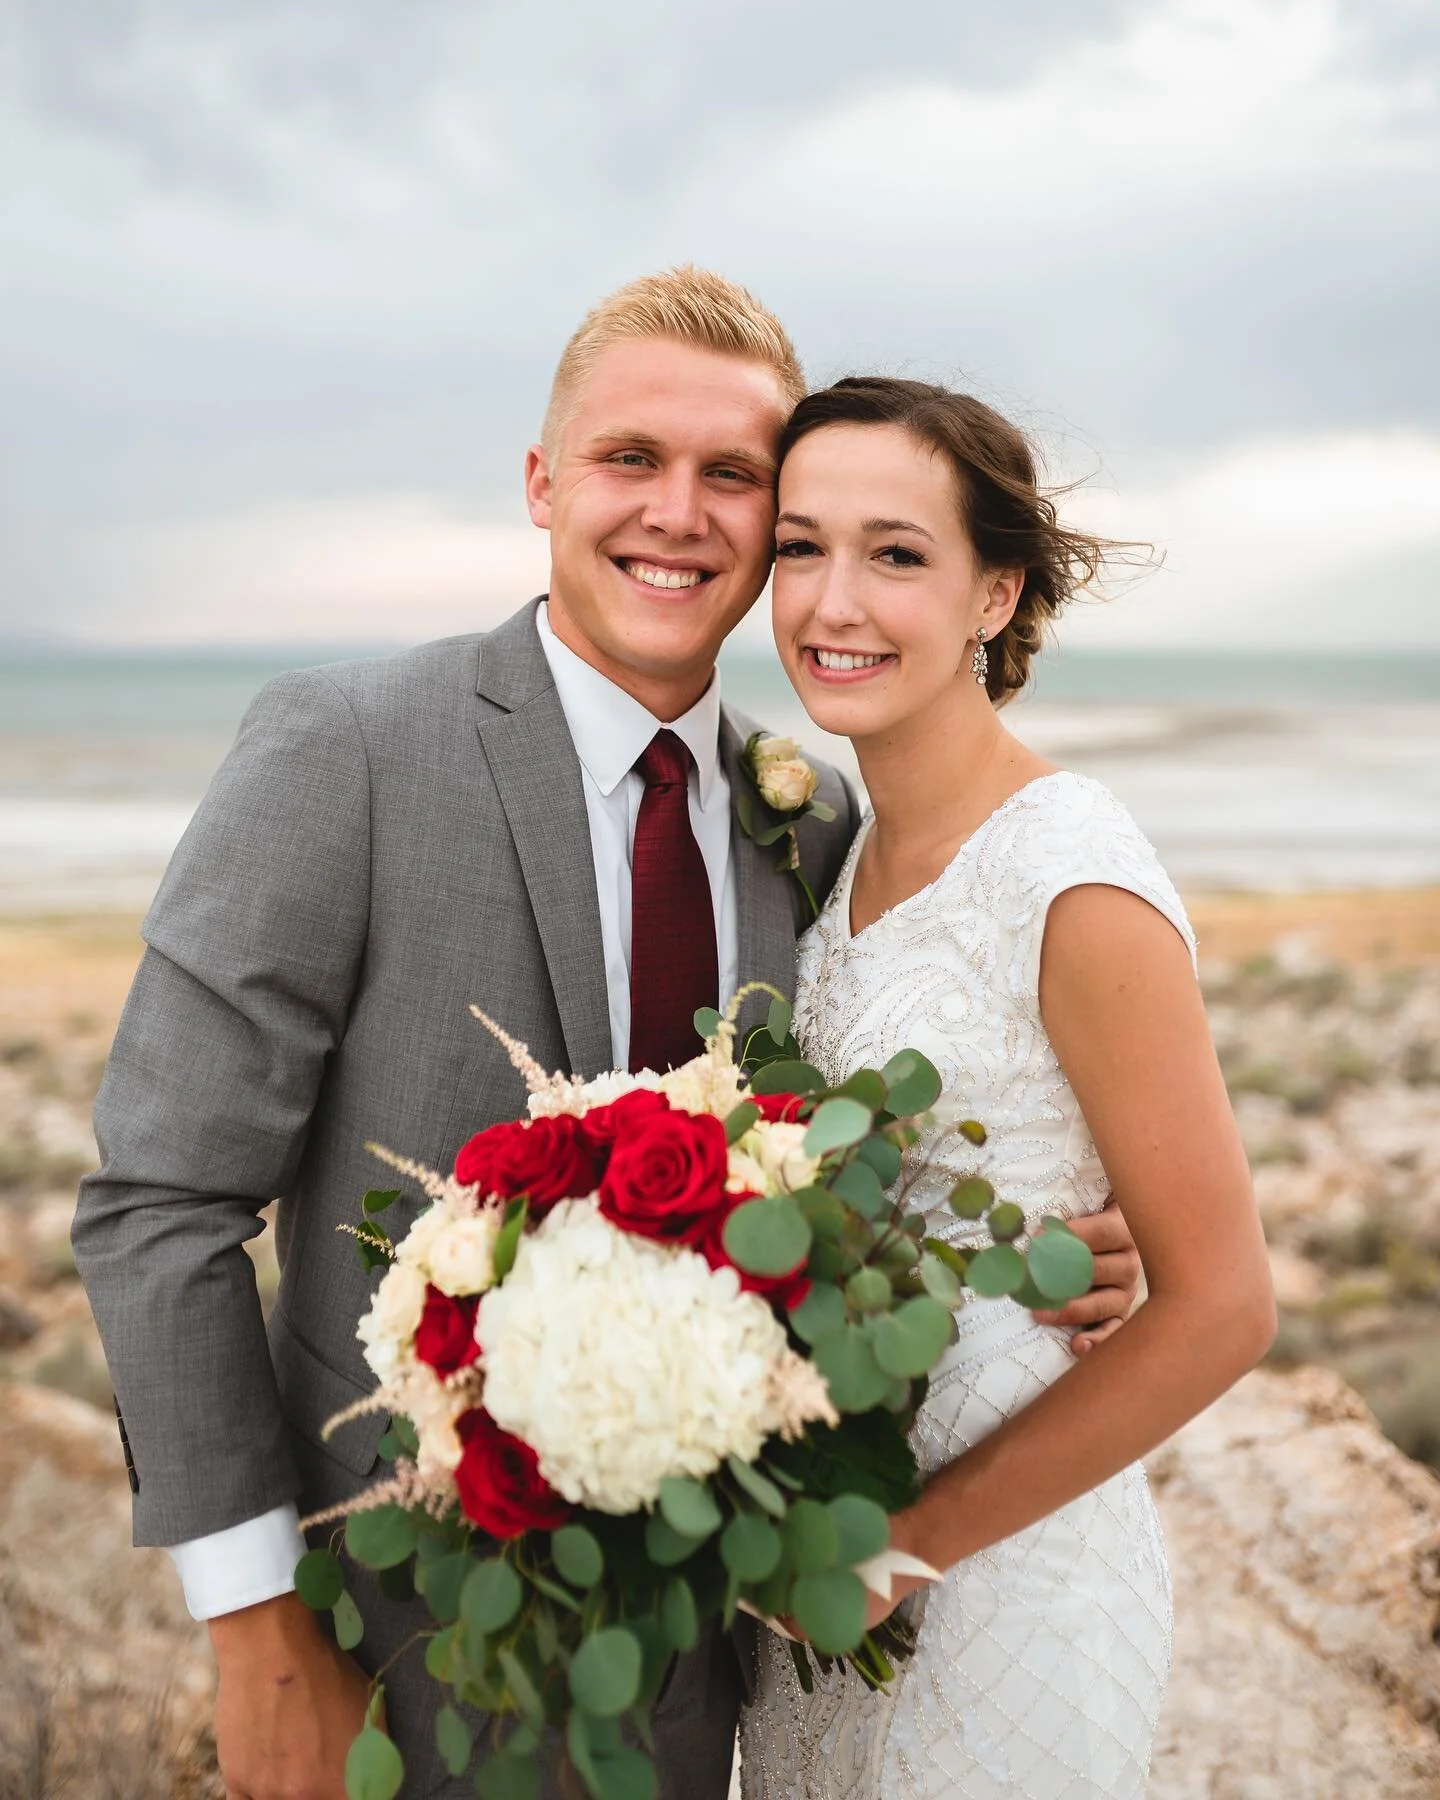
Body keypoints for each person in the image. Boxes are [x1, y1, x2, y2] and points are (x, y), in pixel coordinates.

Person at [72, 274, 1143, 1800]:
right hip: (393, 1645)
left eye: (735, 475)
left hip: (732, 1664)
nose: (679, 513)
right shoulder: (348, 752)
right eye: (632, 458)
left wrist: (1048, 1242)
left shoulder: (817, 820)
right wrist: (254, 1625)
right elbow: (158, 1203)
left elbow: (845, 1175)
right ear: (542, 481)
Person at [737, 377, 1276, 1799]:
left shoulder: (1069, 868)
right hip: (827, 1574)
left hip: (1007, 1582)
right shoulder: (834, 855)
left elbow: (1225, 1304)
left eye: (897, 554)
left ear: (996, 595)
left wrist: (903, 1545)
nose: (832, 600)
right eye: (800, 547)